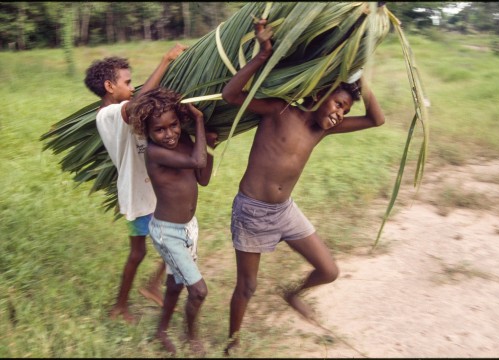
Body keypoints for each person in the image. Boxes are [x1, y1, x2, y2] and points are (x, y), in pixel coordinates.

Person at [221, 19, 385, 354]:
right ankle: (232, 344)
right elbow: (230, 94)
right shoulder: (279, 111)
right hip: (253, 211)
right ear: (319, 93)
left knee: (329, 270)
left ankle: (292, 293)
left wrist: (358, 77)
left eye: (345, 109)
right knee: (247, 287)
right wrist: (262, 56)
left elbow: (375, 119)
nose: (340, 114)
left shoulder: (321, 129)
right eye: (338, 104)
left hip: (285, 212)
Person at [83, 43, 187, 323]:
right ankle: (121, 304)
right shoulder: (107, 115)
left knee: (178, 239)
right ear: (109, 85)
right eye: (127, 82)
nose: (131, 87)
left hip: (155, 190)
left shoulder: (122, 108)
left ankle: (153, 285)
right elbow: (141, 102)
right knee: (139, 252)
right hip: (137, 195)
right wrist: (165, 60)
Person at [130, 87, 218, 355]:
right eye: (160, 130)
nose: (169, 134)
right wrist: (201, 122)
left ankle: (161, 331)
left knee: (175, 284)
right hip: (167, 233)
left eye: (174, 125)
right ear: (147, 132)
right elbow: (196, 159)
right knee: (199, 291)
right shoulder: (154, 154)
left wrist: (210, 146)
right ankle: (192, 337)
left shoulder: (186, 141)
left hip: (189, 229)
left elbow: (202, 177)